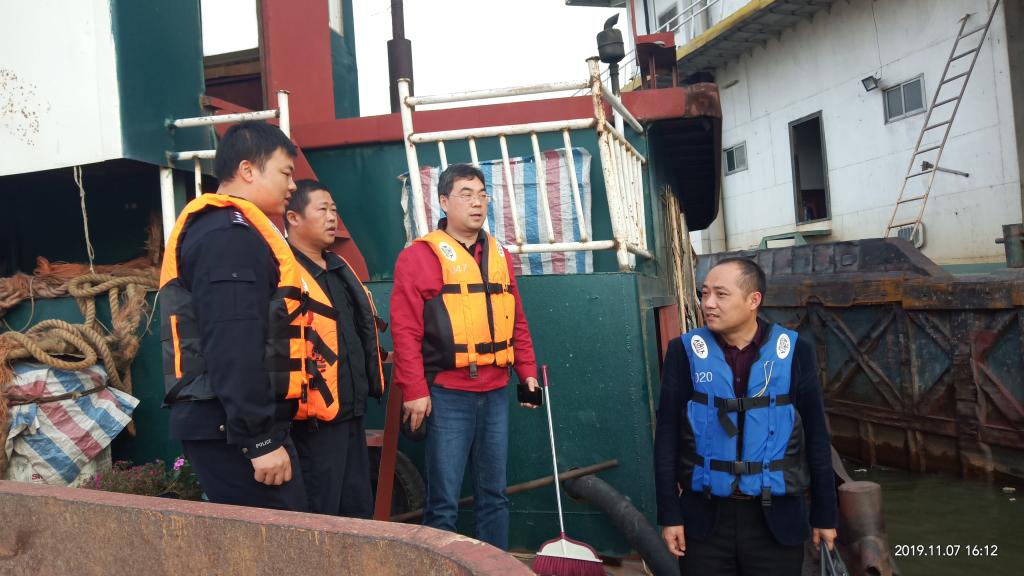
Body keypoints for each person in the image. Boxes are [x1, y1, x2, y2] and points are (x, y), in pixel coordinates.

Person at [654, 257, 838, 575]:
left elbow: (817, 437)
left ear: (753, 300)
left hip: (777, 520)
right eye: (704, 293)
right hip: (704, 519)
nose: (708, 303)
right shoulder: (683, 353)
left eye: (720, 294)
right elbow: (667, 437)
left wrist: (825, 515)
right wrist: (670, 515)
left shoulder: (796, 351)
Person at [390, 163, 540, 550]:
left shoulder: (500, 254)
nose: (477, 203)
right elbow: (405, 331)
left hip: (496, 391)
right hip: (447, 395)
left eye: (482, 195)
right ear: (444, 201)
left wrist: (527, 373)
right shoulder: (418, 257)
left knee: (495, 496)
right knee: (443, 503)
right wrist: (414, 391)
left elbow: (516, 319)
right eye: (466, 195)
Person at [159, 120, 307, 511]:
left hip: (230, 422)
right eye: (286, 173)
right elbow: (233, 341)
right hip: (232, 428)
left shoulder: (226, 230)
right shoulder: (229, 236)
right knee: (282, 539)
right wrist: (259, 439)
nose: (293, 185)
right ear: (247, 170)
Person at [284, 179, 385, 517]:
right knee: (321, 515)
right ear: (293, 217)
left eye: (334, 210)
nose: (332, 218)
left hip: (352, 413)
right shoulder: (282, 273)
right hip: (311, 424)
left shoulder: (340, 269)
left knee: (358, 511)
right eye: (323, 210)